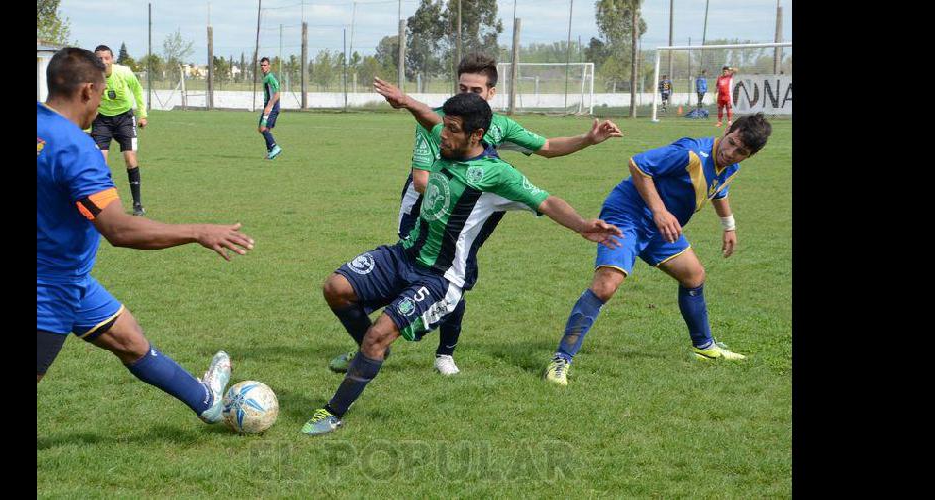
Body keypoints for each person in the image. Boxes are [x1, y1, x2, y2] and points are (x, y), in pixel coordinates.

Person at [300, 92, 624, 435]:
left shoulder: (497, 175)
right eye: (445, 127)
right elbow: (431, 119)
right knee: (336, 288)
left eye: (452, 129)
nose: (443, 134)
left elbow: (546, 200)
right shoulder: (447, 140)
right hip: (403, 255)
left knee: (378, 336)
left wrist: (583, 226)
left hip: (439, 278)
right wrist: (406, 102)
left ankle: (333, 412)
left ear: (476, 135)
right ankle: (373, 352)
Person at [328, 53, 625, 377]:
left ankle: (437, 351)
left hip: (471, 212)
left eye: (476, 90)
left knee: (455, 275)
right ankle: (374, 344)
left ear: (491, 94)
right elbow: (422, 179)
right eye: (462, 88)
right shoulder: (441, 123)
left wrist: (588, 140)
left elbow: (547, 146)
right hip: (424, 211)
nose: (467, 95)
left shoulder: (499, 127)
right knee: (431, 276)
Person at [38, 48, 257, 426]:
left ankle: (208, 403)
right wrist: (198, 232)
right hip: (48, 288)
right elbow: (119, 230)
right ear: (88, 90)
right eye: (104, 93)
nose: (102, 103)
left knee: (131, 341)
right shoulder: (78, 150)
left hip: (71, 279)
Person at [541, 113, 773, 386]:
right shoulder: (690, 153)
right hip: (628, 216)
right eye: (731, 142)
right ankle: (560, 360)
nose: (730, 152)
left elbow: (717, 189)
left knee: (694, 276)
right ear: (729, 130)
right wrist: (660, 211)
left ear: (749, 156)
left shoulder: (730, 167)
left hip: (661, 229)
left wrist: (729, 226)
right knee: (605, 286)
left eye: (740, 152)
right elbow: (638, 164)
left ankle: (704, 346)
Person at [91, 45, 149, 216]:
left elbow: (138, 90)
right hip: (102, 120)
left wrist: (142, 115)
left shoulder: (124, 73)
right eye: (99, 58)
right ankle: (104, 204)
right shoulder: (91, 77)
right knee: (100, 163)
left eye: (106, 58)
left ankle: (137, 203)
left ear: (112, 59)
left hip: (124, 118)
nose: (103, 61)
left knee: (130, 159)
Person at [258, 57, 283, 160]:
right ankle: (271, 153)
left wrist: (268, 106)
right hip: (270, 106)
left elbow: (277, 94)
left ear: (269, 66)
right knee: (264, 129)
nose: (263, 67)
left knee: (262, 128)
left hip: (272, 107)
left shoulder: (270, 77)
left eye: (265, 65)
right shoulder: (266, 77)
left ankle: (275, 147)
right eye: (262, 65)